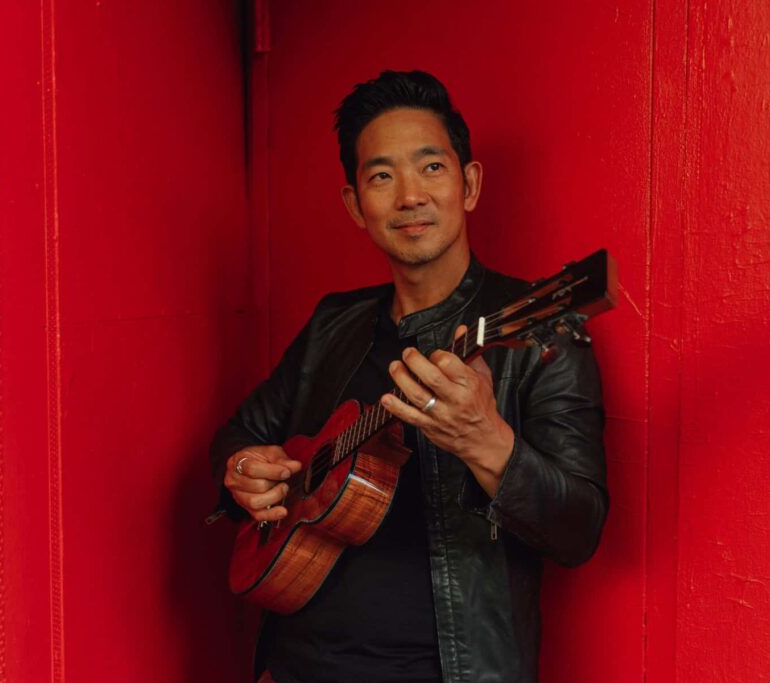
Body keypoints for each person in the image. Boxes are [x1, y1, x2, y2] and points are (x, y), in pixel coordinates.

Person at [209, 70, 609, 683]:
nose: (409, 196)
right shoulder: (331, 325)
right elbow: (241, 433)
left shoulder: (542, 333)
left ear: (468, 184)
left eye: (431, 168)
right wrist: (243, 470)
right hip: (291, 668)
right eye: (381, 176)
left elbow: (579, 530)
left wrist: (487, 441)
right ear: (355, 205)